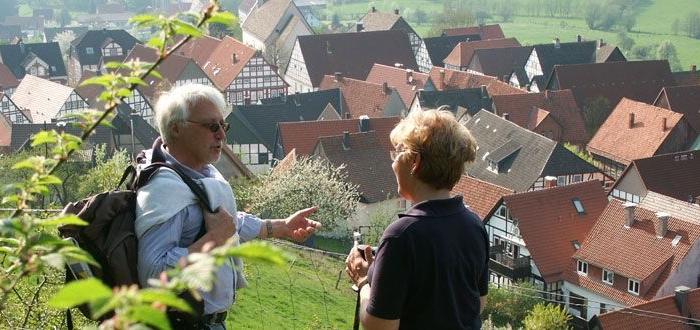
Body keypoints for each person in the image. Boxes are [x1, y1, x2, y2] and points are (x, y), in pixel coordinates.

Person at [136, 84, 321, 329]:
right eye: (212, 126)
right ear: (176, 129)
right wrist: (215, 240)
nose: (222, 135)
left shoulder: (194, 174)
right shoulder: (163, 189)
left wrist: (280, 227)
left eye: (224, 126)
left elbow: (224, 219)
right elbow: (153, 275)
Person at [345, 108, 488, 329]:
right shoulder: (474, 225)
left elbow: (380, 325)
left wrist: (364, 281)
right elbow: (477, 302)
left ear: (415, 162)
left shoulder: (401, 236)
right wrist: (379, 270)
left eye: (397, 153)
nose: (393, 163)